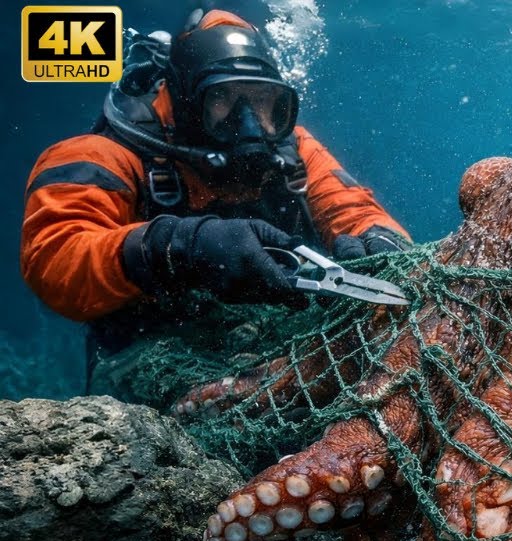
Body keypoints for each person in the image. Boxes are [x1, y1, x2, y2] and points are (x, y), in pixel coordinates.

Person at [20, 10, 412, 393]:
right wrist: (179, 247)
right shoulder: (100, 154)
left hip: (273, 346)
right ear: (186, 97)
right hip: (146, 355)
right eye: (222, 97)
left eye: (263, 100)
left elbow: (354, 209)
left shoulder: (294, 150)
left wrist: (380, 239)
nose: (249, 121)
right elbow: (54, 259)